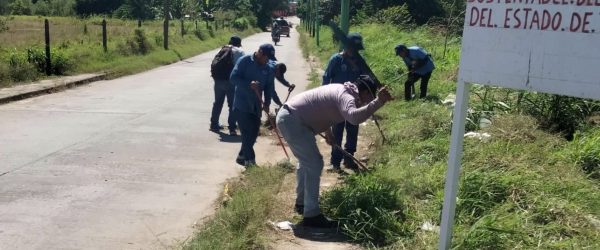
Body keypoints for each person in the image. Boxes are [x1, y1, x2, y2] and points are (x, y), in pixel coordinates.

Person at [276, 75, 393, 228]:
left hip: (290, 118)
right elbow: (353, 118)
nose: (367, 102)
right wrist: (378, 102)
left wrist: (329, 133)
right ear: (364, 92)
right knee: (314, 163)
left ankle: (302, 204)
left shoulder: (342, 90)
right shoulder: (347, 96)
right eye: (369, 97)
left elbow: (321, 109)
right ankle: (311, 215)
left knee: (306, 163)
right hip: (293, 120)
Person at [322, 32, 366, 171]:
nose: (354, 51)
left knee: (352, 129)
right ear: (347, 46)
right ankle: (335, 161)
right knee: (337, 131)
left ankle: (349, 159)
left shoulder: (360, 61)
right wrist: (325, 98)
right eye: (352, 48)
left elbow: (364, 80)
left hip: (354, 101)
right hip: (336, 102)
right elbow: (326, 78)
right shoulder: (336, 60)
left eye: (356, 49)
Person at [230, 43, 277, 167]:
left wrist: (267, 103)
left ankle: (241, 156)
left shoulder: (268, 68)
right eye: (266, 57)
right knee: (246, 133)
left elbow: (268, 88)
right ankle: (250, 162)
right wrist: (248, 84)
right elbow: (233, 78)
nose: (267, 61)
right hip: (242, 104)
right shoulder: (244, 61)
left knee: (254, 133)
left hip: (256, 105)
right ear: (260, 53)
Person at [209, 35, 245, 135]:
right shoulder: (240, 52)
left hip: (218, 80)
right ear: (239, 43)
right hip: (231, 81)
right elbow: (242, 68)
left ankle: (214, 125)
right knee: (232, 105)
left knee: (218, 102)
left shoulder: (223, 49)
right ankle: (232, 128)